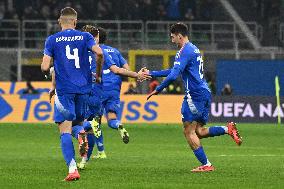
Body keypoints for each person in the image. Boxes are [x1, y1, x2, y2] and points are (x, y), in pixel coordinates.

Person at [145, 22, 242, 172]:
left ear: (179, 35)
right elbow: (174, 70)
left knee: (188, 131)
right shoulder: (193, 49)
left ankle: (207, 165)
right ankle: (227, 129)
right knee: (198, 131)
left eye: (172, 37)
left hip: (194, 95)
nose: (172, 41)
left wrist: (158, 89)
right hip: (203, 92)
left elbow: (173, 76)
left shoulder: (184, 51)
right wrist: (152, 73)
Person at [41, 7, 104, 181]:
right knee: (77, 123)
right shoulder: (85, 36)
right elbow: (99, 53)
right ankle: (80, 134)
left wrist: (49, 77)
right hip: (84, 89)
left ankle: (72, 169)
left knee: (64, 130)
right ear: (75, 22)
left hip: (65, 91)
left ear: (59, 21)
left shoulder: (52, 40)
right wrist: (98, 75)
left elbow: (45, 67)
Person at [77, 25, 151, 169]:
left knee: (82, 125)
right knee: (95, 125)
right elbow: (117, 69)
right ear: (96, 37)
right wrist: (136, 75)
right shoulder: (104, 52)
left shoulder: (78, 51)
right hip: (101, 90)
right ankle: (84, 162)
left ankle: (84, 158)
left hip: (83, 91)